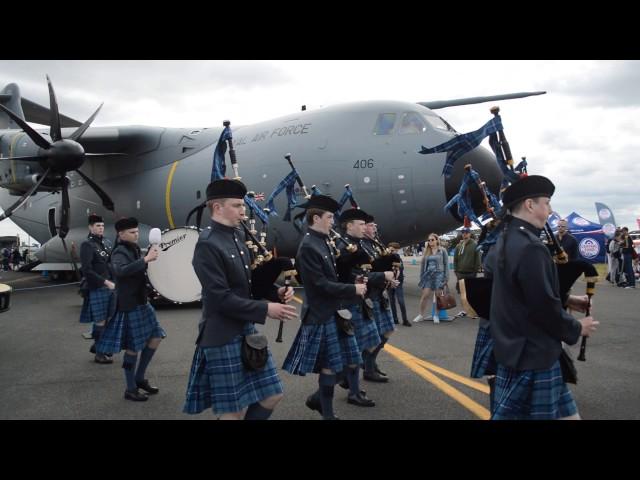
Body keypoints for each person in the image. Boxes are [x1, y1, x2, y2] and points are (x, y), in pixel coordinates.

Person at [486, 175, 598, 420]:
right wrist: (577, 326)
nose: (550, 210)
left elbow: (517, 292)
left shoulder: (504, 240)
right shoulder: (531, 247)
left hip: (517, 349)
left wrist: (567, 300)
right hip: (534, 353)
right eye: (546, 203)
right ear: (529, 205)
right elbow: (543, 308)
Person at [183, 179, 296, 420]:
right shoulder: (207, 244)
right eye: (236, 205)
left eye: (242, 205)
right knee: (233, 412)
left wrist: (274, 292)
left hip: (245, 330)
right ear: (217, 207)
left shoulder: (237, 237)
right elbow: (219, 298)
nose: (243, 210)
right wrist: (267, 308)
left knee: (272, 395)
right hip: (222, 335)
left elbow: (248, 283)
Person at [282, 196, 367, 419]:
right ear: (316, 218)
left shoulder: (323, 241)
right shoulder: (309, 246)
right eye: (329, 217)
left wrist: (352, 275)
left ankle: (318, 399)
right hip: (321, 313)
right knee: (330, 366)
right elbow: (319, 285)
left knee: (351, 360)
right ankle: (327, 412)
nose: (333, 221)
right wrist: (352, 290)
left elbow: (334, 274)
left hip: (334, 310)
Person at [96, 217, 166, 402]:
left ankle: (139, 378)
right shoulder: (119, 251)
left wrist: (152, 288)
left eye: (137, 231)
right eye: (132, 232)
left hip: (142, 302)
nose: (136, 235)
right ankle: (130, 388)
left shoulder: (134, 249)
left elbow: (137, 274)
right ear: (121, 234)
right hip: (130, 305)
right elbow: (121, 271)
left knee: (156, 337)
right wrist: (146, 259)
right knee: (134, 347)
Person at [361, 216, 399, 380]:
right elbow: (364, 275)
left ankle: (370, 361)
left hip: (380, 293)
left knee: (388, 330)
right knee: (373, 337)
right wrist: (384, 276)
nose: (374, 227)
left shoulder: (375, 244)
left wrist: (389, 280)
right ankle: (368, 368)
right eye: (370, 225)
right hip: (370, 295)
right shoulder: (361, 247)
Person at [79, 214, 116, 364]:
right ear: (90, 227)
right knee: (100, 320)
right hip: (98, 287)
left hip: (111, 286)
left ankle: (98, 345)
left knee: (108, 319)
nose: (100, 228)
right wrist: (105, 282)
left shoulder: (106, 243)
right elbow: (87, 270)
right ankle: (100, 354)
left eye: (101, 226)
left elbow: (111, 264)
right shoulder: (87, 245)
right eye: (97, 226)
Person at [413, 234, 449, 323]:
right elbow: (423, 265)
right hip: (428, 275)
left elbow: (446, 264)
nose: (430, 242)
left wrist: (446, 278)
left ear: (437, 240)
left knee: (438, 296)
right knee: (425, 295)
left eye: (432, 240)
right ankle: (421, 314)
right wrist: (421, 276)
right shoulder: (427, 251)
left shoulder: (442, 251)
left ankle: (436, 315)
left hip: (439, 275)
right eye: (429, 240)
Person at [453, 228, 480, 318]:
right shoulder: (459, 245)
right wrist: (456, 271)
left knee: (471, 293)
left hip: (470, 273)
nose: (464, 234)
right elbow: (455, 259)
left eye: (466, 233)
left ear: (470, 234)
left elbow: (478, 260)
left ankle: (473, 311)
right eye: (463, 233)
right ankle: (464, 310)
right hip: (460, 273)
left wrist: (475, 271)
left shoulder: (475, 245)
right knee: (462, 293)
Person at [388, 242, 410, 326]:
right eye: (390, 250)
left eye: (393, 250)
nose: (392, 252)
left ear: (397, 250)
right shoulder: (386, 258)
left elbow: (401, 268)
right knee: (392, 301)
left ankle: (405, 319)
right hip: (389, 282)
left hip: (398, 282)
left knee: (401, 301)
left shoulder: (398, 257)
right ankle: (395, 319)